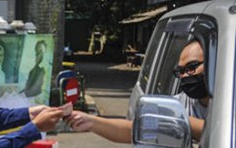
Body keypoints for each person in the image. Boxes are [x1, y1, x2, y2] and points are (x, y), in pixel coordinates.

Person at [68, 39, 209, 142]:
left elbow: (226, 137)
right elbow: (132, 130)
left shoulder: (230, 107)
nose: (185, 75)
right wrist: (91, 122)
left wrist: (182, 121)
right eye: (180, 71)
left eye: (192, 67)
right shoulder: (177, 105)